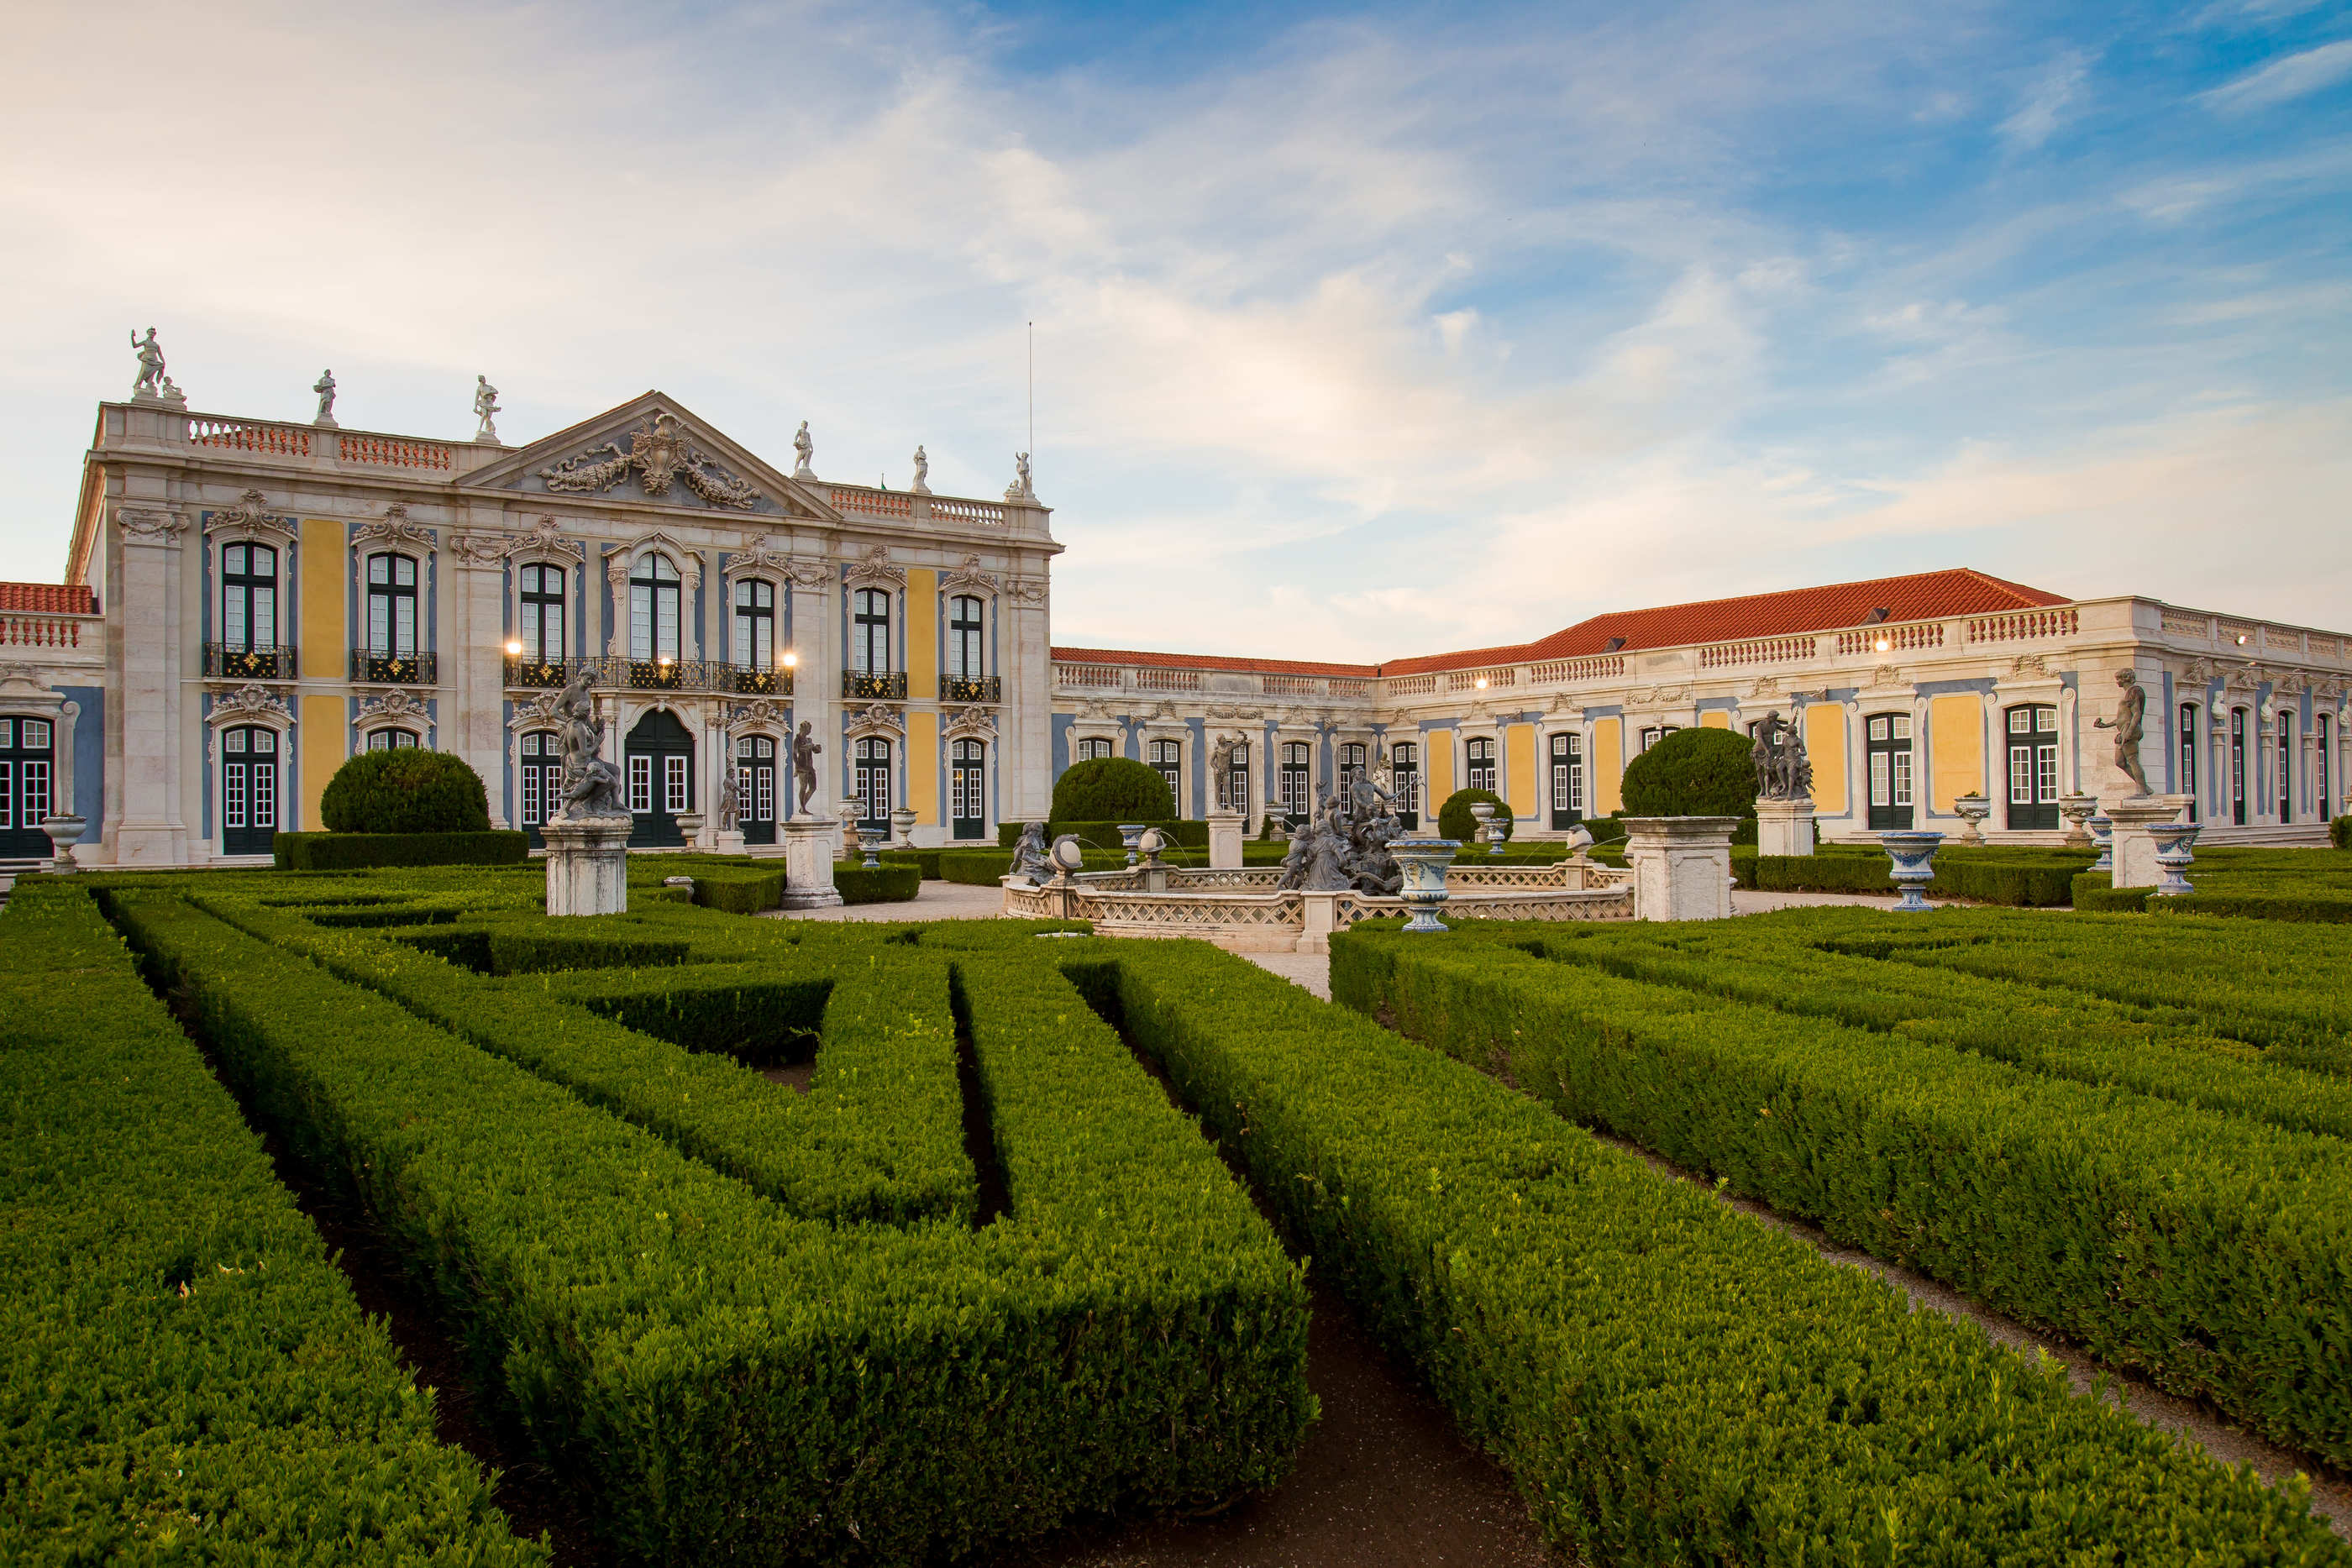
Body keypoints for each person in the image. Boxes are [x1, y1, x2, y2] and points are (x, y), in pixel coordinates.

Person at [2093, 669, 2152, 796]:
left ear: (2126, 679)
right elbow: (2122, 717)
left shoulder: (2134, 691)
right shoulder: (2127, 694)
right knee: (2119, 762)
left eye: (2119, 679)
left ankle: (2142, 791)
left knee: (2132, 760)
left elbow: (2136, 714)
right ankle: (2145, 787)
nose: (2117, 682)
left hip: (2129, 729)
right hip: (2124, 729)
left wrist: (2129, 732)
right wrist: (2105, 725)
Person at [792, 720, 823, 816]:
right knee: (803, 787)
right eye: (808, 729)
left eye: (810, 729)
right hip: (802, 767)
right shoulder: (797, 740)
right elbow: (794, 753)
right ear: (803, 729)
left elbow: (816, 751)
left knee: (813, 787)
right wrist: (797, 767)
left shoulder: (809, 740)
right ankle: (803, 808)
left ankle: (802, 806)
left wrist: (817, 748)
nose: (809, 731)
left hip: (810, 767)